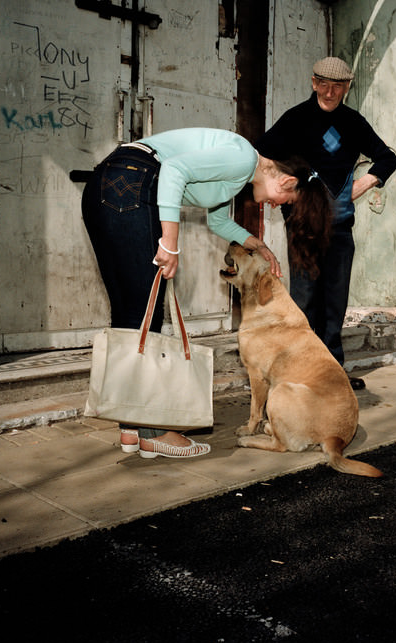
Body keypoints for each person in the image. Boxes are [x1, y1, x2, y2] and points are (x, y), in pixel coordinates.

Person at [82, 128, 331, 459]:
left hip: (111, 185)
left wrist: (255, 244)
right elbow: (173, 171)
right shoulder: (243, 159)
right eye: (286, 202)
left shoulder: (237, 172)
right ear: (287, 183)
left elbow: (216, 220)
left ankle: (131, 424)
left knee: (131, 311)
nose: (276, 205)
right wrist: (169, 242)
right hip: (131, 183)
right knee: (146, 310)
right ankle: (152, 430)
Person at [254, 57, 396, 389]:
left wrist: (364, 183)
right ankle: (298, 371)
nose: (330, 92)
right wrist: (284, 183)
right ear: (314, 83)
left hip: (340, 225)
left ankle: (332, 371)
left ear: (347, 87)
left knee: (335, 300)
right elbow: (260, 153)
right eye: (324, 84)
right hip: (302, 226)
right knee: (304, 299)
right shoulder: (296, 118)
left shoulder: (353, 122)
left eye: (339, 86)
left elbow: (387, 158)